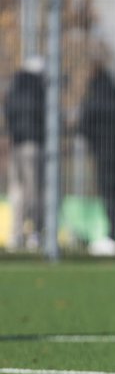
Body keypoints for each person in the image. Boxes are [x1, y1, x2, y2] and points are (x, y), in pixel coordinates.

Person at [79, 61, 115, 257]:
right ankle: (112, 234)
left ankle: (109, 236)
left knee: (106, 193)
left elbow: (84, 124)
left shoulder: (94, 97)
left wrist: (94, 143)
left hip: (102, 154)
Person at [4, 56, 46, 252]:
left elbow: (8, 115)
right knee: (34, 191)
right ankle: (35, 233)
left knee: (17, 191)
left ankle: (17, 233)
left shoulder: (14, 89)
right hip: (33, 145)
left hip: (16, 144)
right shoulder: (38, 91)